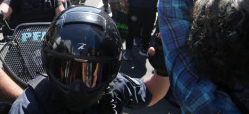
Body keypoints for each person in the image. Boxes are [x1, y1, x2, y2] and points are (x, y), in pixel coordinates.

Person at [9, 6, 170, 113]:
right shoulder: (29, 106)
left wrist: (162, 70)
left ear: (111, 72)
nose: (77, 86)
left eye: (90, 73)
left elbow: (150, 93)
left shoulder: (112, 87)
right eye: (68, 71)